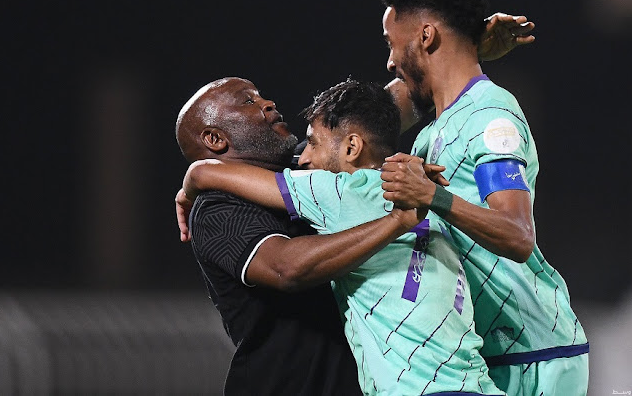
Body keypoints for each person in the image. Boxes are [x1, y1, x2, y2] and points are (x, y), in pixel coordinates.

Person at [178, 79, 506, 395]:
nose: (268, 103)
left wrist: (462, 49)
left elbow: (370, 118)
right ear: (215, 139)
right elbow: (286, 268)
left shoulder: (309, 173)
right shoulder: (216, 209)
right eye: (248, 101)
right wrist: (395, 222)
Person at [377, 0, 589, 395]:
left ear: (426, 35)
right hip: (486, 358)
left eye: (391, 43)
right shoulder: (436, 128)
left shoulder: (491, 116)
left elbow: (517, 234)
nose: (390, 61)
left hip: (534, 357)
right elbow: (360, 128)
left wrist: (432, 197)